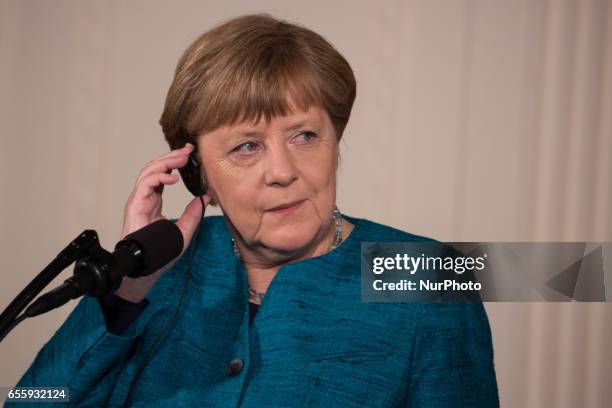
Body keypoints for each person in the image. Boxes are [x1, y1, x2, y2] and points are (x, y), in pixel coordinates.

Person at [7, 13, 499, 407]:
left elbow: (565, 276)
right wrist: (127, 291)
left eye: (304, 136)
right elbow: (33, 399)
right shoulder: (153, 273)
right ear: (198, 174)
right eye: (246, 146)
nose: (283, 171)